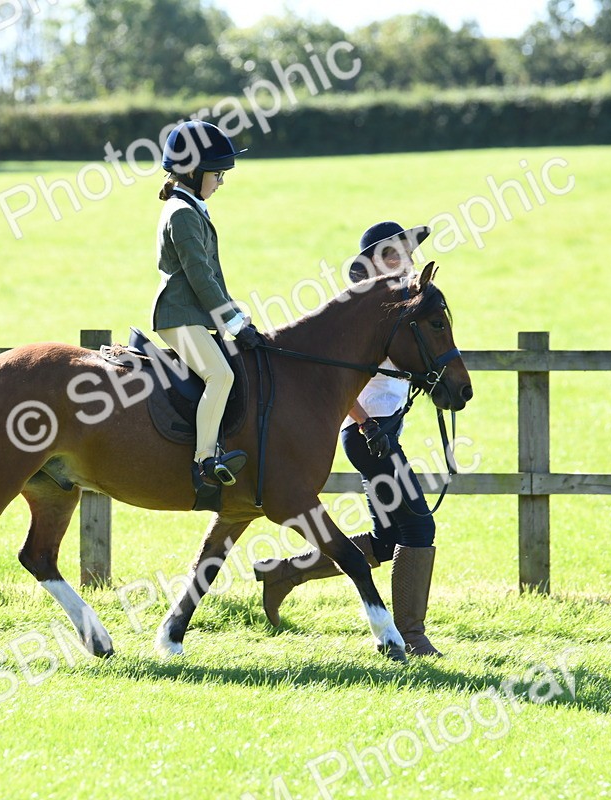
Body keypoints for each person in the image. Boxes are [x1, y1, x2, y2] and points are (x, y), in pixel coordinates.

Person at [253, 221, 443, 657]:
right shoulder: (366, 316)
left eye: (408, 253)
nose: (406, 261)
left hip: (381, 432)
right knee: (418, 526)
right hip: (370, 437)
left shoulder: (397, 308)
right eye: (395, 255)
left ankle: (282, 573)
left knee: (386, 540)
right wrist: (365, 423)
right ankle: (410, 638)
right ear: (374, 264)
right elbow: (337, 382)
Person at [151, 120, 261, 505]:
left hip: (192, 314)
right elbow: (199, 277)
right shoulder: (182, 213)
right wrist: (231, 323)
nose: (220, 182)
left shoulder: (191, 208)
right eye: (217, 174)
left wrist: (239, 319)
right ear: (194, 172)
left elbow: (214, 275)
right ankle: (204, 461)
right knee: (221, 375)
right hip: (178, 317)